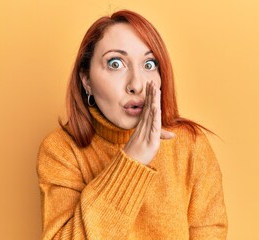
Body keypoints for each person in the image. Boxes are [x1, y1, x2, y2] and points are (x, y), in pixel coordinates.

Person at [37, 9, 228, 240]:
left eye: (149, 64)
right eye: (116, 63)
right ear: (86, 80)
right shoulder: (61, 150)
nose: (136, 84)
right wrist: (132, 161)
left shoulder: (191, 145)